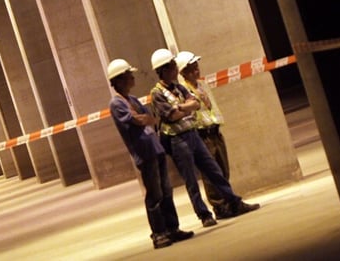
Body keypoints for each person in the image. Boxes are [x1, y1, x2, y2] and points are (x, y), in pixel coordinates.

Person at [149, 48, 260, 226]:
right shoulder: (157, 93)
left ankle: (234, 202)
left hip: (192, 134)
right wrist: (186, 108)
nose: (175, 69)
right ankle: (204, 215)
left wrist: (182, 107)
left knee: (215, 172)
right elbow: (171, 115)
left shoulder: (178, 87)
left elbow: (195, 103)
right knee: (191, 181)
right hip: (178, 140)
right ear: (163, 69)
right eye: (172, 66)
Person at [106, 58, 193, 249]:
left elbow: (150, 118)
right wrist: (143, 118)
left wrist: (144, 118)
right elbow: (139, 120)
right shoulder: (116, 103)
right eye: (129, 75)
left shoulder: (132, 100)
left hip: (156, 148)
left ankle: (172, 228)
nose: (132, 78)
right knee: (154, 194)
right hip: (144, 153)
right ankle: (159, 233)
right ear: (119, 79)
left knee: (166, 191)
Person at [177, 50, 234, 219]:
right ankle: (219, 206)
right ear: (184, 72)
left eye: (196, 66)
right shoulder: (183, 90)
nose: (197, 70)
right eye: (192, 68)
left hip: (215, 130)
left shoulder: (202, 85)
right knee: (211, 173)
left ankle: (229, 202)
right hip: (202, 134)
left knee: (223, 169)